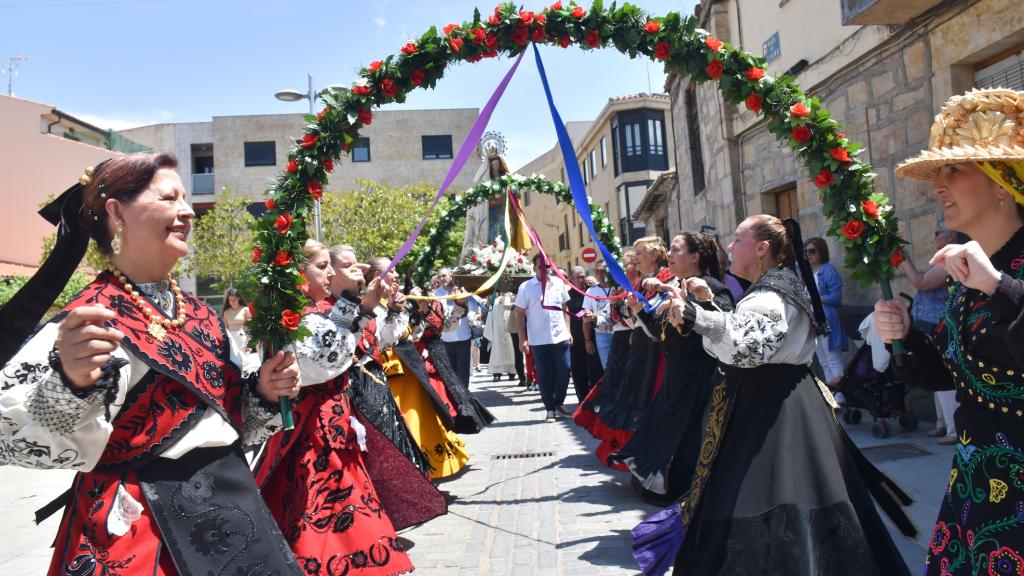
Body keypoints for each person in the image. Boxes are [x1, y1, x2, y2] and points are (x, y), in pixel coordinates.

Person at [0, 153, 304, 575]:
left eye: (185, 199)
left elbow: (228, 424)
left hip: (234, 511)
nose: (187, 212)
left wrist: (264, 394)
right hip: (142, 524)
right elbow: (12, 436)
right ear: (116, 212)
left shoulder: (201, 314)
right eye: (168, 198)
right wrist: (69, 383)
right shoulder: (90, 317)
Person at [648, 215, 913, 575]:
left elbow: (746, 347)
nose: (729, 246)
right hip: (773, 407)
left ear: (761, 249)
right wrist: (708, 307)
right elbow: (740, 338)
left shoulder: (772, 293)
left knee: (770, 503)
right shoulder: (771, 288)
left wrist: (694, 315)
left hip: (774, 418)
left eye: (737, 239)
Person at [872, 88, 1024, 576]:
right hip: (976, 490)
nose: (938, 185)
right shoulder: (967, 270)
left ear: (1002, 180)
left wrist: (998, 286)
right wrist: (903, 334)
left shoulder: (987, 272)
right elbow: (950, 370)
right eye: (937, 173)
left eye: (953, 170)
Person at [256, 241, 431, 575]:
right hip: (312, 432)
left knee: (351, 505)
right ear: (297, 274)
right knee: (321, 513)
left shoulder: (317, 311)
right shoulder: (294, 317)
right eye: (322, 267)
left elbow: (370, 339)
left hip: (336, 422)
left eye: (328, 265)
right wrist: (363, 308)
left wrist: (370, 308)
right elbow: (329, 358)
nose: (330, 273)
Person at [613, 232, 734, 505]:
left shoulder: (711, 287)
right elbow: (662, 333)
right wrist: (641, 311)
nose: (671, 255)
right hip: (675, 382)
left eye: (677, 250)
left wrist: (678, 295)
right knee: (662, 437)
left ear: (695, 257)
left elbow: (727, 325)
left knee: (689, 443)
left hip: (700, 383)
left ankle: (692, 499)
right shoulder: (679, 287)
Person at [594, 236, 674, 468]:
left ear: (654, 255)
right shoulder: (648, 280)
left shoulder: (664, 278)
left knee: (647, 399)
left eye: (639, 253)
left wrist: (636, 313)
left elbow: (657, 319)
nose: (635, 258)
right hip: (642, 345)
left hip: (654, 351)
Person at [900, 220, 960, 445]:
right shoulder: (943, 260)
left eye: (938, 233)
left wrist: (903, 258)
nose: (934, 238)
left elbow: (922, 283)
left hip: (939, 325)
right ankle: (942, 424)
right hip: (930, 324)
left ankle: (954, 429)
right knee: (936, 376)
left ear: (950, 236)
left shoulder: (948, 261)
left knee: (944, 379)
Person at [515, 253, 572, 420]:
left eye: (547, 266)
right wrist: (521, 339)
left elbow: (565, 308)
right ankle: (550, 409)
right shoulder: (526, 287)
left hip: (560, 335)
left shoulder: (559, 283)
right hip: (538, 339)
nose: (544, 269)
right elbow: (519, 314)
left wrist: (568, 331)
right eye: (541, 266)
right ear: (534, 268)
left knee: (565, 368)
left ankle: (558, 401)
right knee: (543, 374)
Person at [804, 237, 850, 386]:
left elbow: (836, 297)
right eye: (806, 252)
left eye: (812, 251)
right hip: (814, 321)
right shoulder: (809, 274)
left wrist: (815, 299)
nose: (808, 255)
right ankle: (836, 398)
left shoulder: (827, 270)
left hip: (826, 319)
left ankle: (842, 395)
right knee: (824, 361)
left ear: (821, 252)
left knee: (833, 359)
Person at [434, 267, 479, 389]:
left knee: (463, 368)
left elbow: (473, 305)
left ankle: (465, 395)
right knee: (451, 369)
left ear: (451, 276)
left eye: (444, 275)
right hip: (446, 336)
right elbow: (439, 311)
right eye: (440, 276)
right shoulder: (435, 294)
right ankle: (454, 395)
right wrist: (452, 300)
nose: (442, 279)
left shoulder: (461, 290)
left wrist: (463, 298)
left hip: (463, 334)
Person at [567, 265, 594, 403]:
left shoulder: (591, 292)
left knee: (593, 368)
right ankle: (582, 399)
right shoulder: (568, 296)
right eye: (578, 277)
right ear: (572, 279)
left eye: (583, 276)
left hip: (592, 336)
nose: (581, 280)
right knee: (579, 369)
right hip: (576, 338)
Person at [583, 261, 614, 369]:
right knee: (607, 368)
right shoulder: (591, 291)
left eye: (603, 271)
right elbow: (585, 319)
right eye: (597, 271)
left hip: (619, 333)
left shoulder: (617, 287)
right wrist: (587, 340)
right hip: (601, 334)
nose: (600, 274)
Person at [484, 289, 516, 381]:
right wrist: (491, 331)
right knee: (497, 351)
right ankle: (497, 373)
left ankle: (512, 372)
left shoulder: (514, 299)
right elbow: (490, 317)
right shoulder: (496, 301)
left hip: (511, 329)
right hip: (498, 331)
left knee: (512, 350)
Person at [221, 287, 251, 353]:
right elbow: (225, 329)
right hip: (231, 339)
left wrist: (248, 343)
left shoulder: (245, 309)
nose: (232, 302)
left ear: (239, 298)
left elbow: (250, 327)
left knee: (243, 361)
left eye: (234, 300)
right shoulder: (226, 312)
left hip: (242, 338)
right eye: (230, 300)